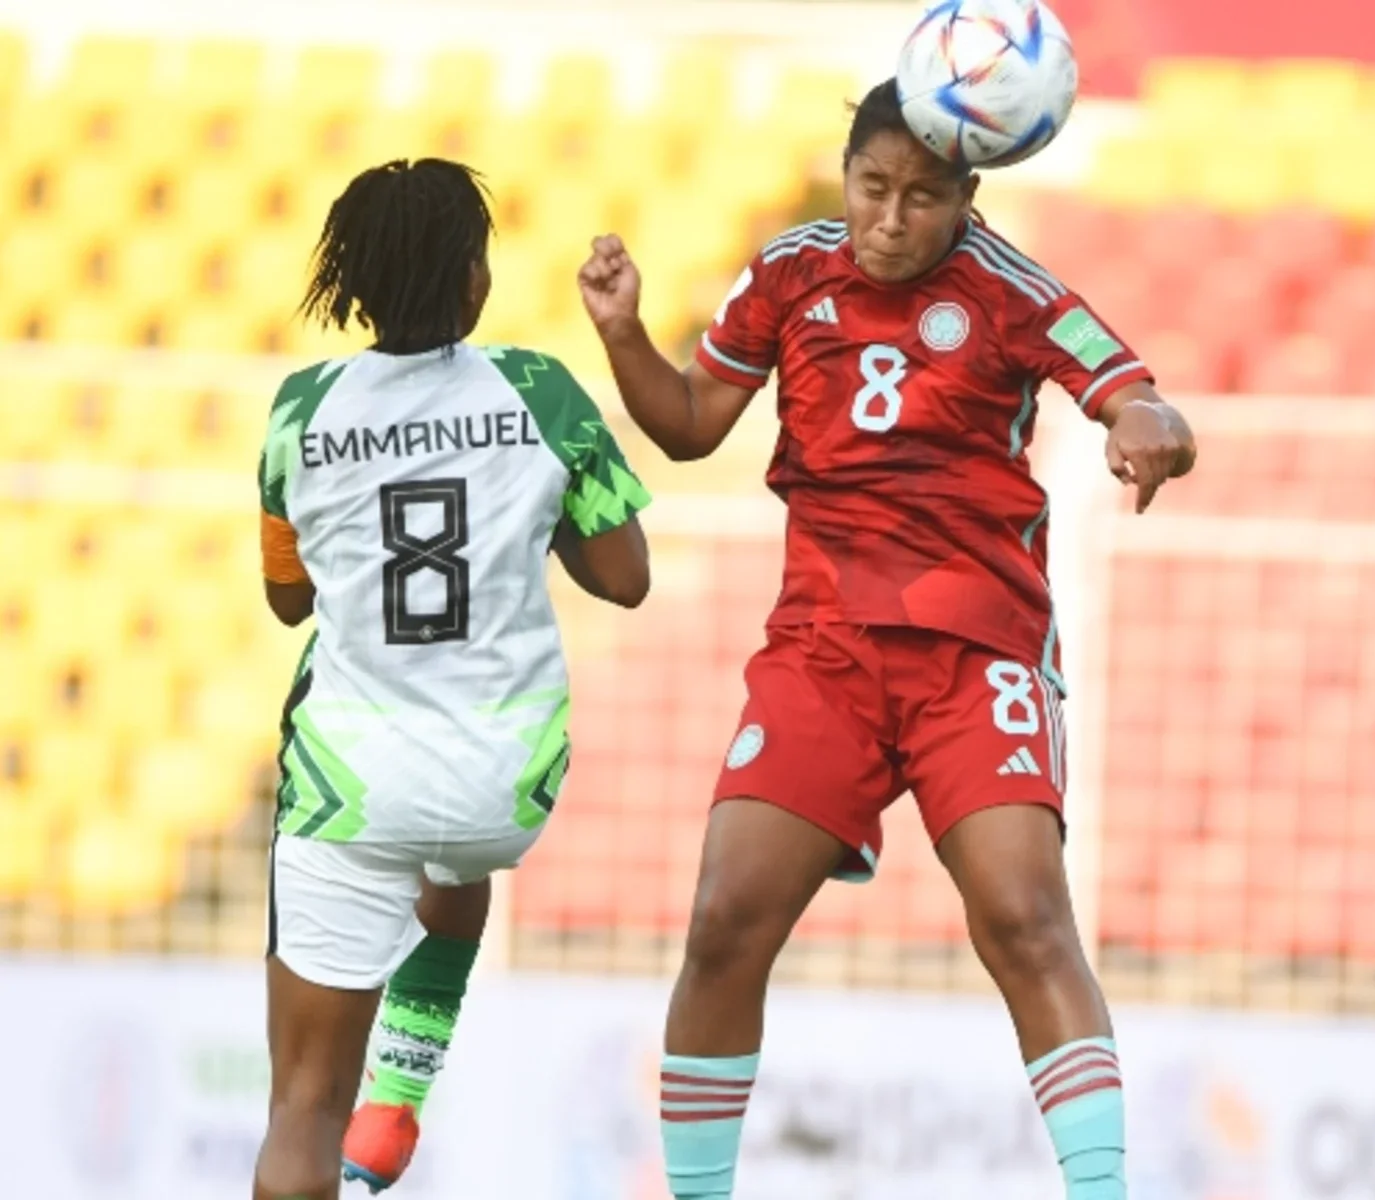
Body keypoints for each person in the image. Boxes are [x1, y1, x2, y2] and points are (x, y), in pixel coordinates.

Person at [576, 81, 1195, 1200]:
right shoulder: (786, 271)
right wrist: (623, 334)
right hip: (823, 649)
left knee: (1022, 919)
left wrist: (1149, 430)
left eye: (922, 196)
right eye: (873, 188)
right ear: (846, 174)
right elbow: (686, 424)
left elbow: (1137, 396)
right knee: (722, 922)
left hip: (977, 651)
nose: (891, 218)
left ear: (968, 197)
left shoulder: (1011, 287)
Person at [252, 157, 652, 1200]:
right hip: (505, 781)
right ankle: (400, 1094)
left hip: (356, 784)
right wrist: (531, 514)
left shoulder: (303, 410)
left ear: (355, 287)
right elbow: (627, 580)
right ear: (476, 280)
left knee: (300, 1107)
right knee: (452, 870)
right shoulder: (539, 390)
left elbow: (286, 600)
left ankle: (357, 1111)